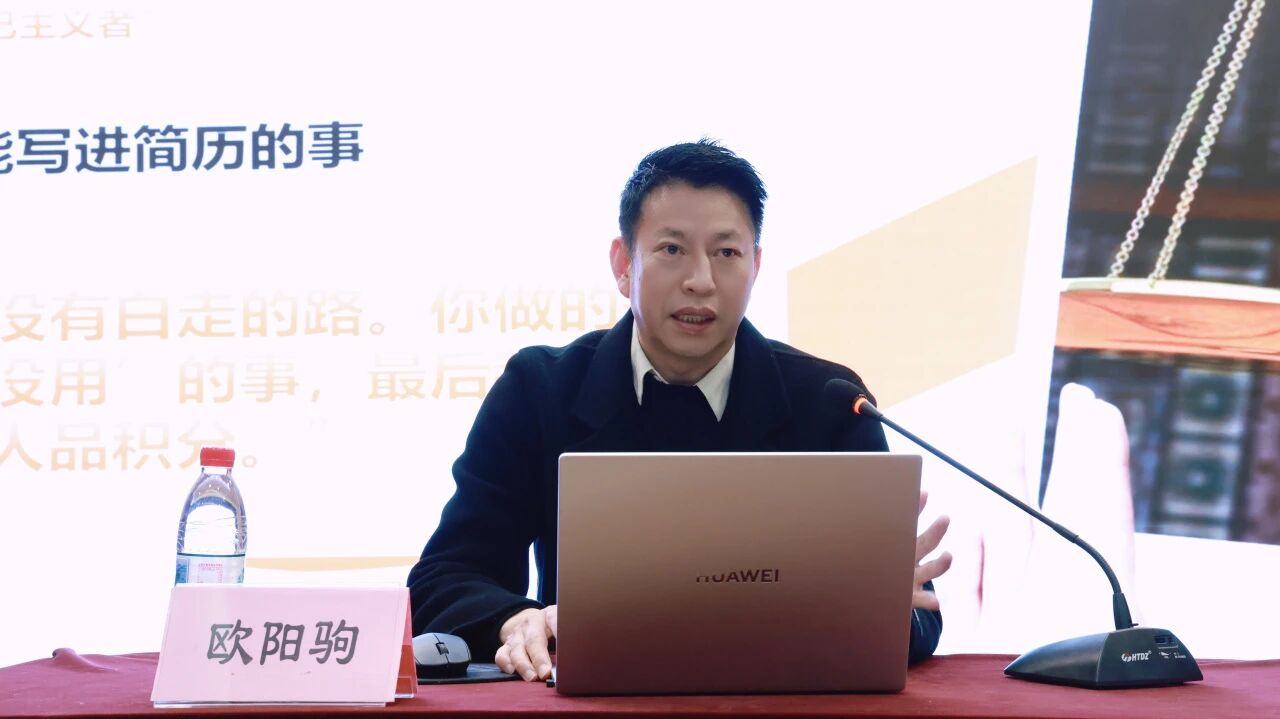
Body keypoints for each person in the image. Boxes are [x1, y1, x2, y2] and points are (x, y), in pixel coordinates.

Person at [407, 140, 953, 682]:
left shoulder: (829, 401)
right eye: (672, 249)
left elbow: (917, 618)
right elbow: (445, 577)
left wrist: (877, 605)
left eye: (726, 253)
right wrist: (513, 619)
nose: (701, 280)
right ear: (624, 265)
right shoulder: (539, 390)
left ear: (756, 266)